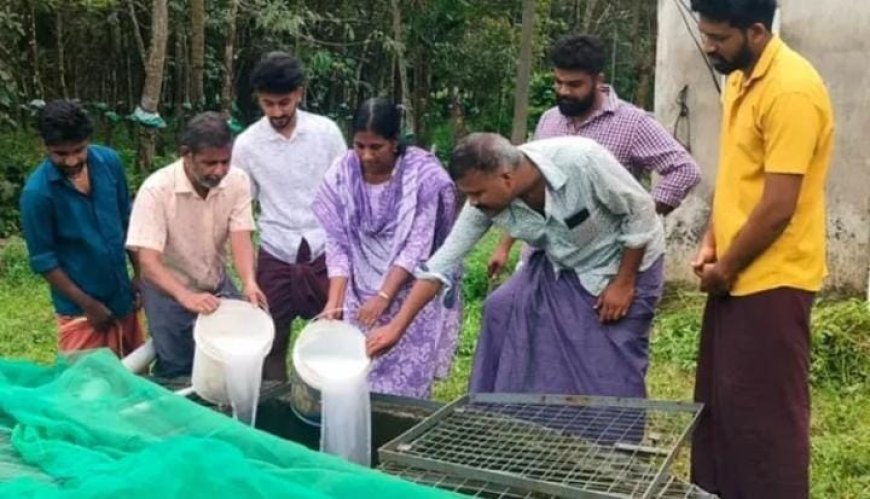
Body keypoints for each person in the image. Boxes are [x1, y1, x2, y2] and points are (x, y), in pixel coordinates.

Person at [367, 133, 665, 398]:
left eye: (477, 193)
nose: (473, 203)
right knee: (504, 311)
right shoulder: (485, 201)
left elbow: (640, 211)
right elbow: (441, 264)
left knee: (608, 366)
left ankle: (617, 447)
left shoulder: (582, 160)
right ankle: (506, 420)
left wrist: (624, 283)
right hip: (565, 267)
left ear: (506, 178)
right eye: (467, 194)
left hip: (627, 265)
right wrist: (396, 327)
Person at [688, 1, 834, 498]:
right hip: (734, 273)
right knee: (721, 409)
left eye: (718, 37)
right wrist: (712, 239)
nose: (709, 46)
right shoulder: (738, 77)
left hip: (773, 278)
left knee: (766, 422)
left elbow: (777, 206)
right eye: (705, 34)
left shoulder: (791, 89)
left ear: (754, 31)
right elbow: (736, 174)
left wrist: (726, 267)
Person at [488, 34, 701, 277]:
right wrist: (504, 246)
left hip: (597, 264)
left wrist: (643, 215)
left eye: (574, 85)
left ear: (598, 80)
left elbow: (685, 169)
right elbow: (526, 185)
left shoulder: (632, 123)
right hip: (542, 258)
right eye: (558, 82)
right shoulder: (549, 120)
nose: (564, 91)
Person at [312, 98, 461, 399]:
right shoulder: (342, 172)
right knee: (355, 381)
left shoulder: (422, 176)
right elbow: (337, 241)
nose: (366, 156)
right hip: (358, 293)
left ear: (395, 142)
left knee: (404, 393)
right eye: (359, 145)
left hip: (410, 292)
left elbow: (418, 245)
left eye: (375, 147)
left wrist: (384, 295)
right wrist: (334, 302)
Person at [233, 51, 347, 381]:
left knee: (333, 337)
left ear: (299, 92)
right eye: (269, 104)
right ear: (258, 100)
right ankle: (273, 412)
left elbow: (345, 196)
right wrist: (249, 279)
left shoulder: (326, 133)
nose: (278, 112)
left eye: (285, 102)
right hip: (276, 252)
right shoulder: (247, 144)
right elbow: (241, 213)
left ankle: (323, 409)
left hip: (324, 251)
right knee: (270, 340)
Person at [126, 112, 266, 377]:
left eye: (225, 161)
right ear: (186, 155)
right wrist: (185, 296)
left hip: (215, 283)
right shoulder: (156, 190)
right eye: (210, 163)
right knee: (177, 365)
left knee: (233, 353)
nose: (219, 171)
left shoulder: (237, 181)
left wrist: (249, 282)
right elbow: (148, 262)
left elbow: (241, 236)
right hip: (167, 290)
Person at [20, 100, 144, 357]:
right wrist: (89, 305)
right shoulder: (37, 194)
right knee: (87, 390)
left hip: (122, 298)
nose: (71, 160)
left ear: (88, 140)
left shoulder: (109, 163)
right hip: (80, 312)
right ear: (45, 147)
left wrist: (139, 275)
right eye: (60, 154)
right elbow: (45, 261)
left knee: (135, 378)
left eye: (78, 150)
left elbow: (126, 221)